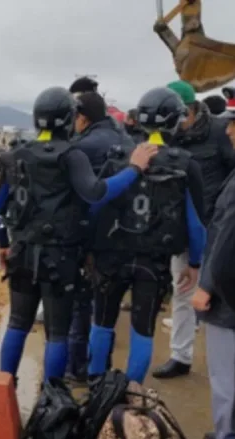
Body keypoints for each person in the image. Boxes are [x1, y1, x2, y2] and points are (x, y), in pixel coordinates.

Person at [0, 86, 153, 383]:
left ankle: (3, 389)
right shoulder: (72, 155)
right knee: (57, 332)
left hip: (22, 251)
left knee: (17, 323)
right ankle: (51, 399)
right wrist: (133, 170)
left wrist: (3, 245)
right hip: (60, 256)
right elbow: (95, 193)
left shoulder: (15, 155)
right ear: (68, 119)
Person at [87, 86, 206, 384]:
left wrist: (88, 249)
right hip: (152, 262)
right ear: (175, 121)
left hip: (111, 256)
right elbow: (195, 223)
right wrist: (194, 262)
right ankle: (130, 391)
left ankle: (95, 384)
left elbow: (95, 204)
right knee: (143, 327)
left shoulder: (119, 156)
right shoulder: (186, 163)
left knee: (101, 322)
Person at [152, 80, 235, 380]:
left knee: (224, 294)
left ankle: (229, 367)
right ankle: (181, 355)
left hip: (220, 225)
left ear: (189, 109)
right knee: (184, 289)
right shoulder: (168, 136)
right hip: (184, 227)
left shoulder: (219, 132)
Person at [181, 86, 235, 439]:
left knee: (227, 377)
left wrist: (207, 286)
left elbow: (228, 235)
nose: (228, 130)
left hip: (228, 296)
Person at [65, 91, 134, 383]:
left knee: (81, 305)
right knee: (105, 310)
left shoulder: (82, 146)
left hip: (91, 233)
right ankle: (102, 369)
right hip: (124, 235)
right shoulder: (127, 141)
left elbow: (82, 194)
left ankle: (78, 368)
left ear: (82, 118)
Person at [205, 87, 235, 439]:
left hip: (234, 307)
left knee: (231, 389)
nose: (229, 130)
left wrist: (218, 293)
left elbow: (228, 254)